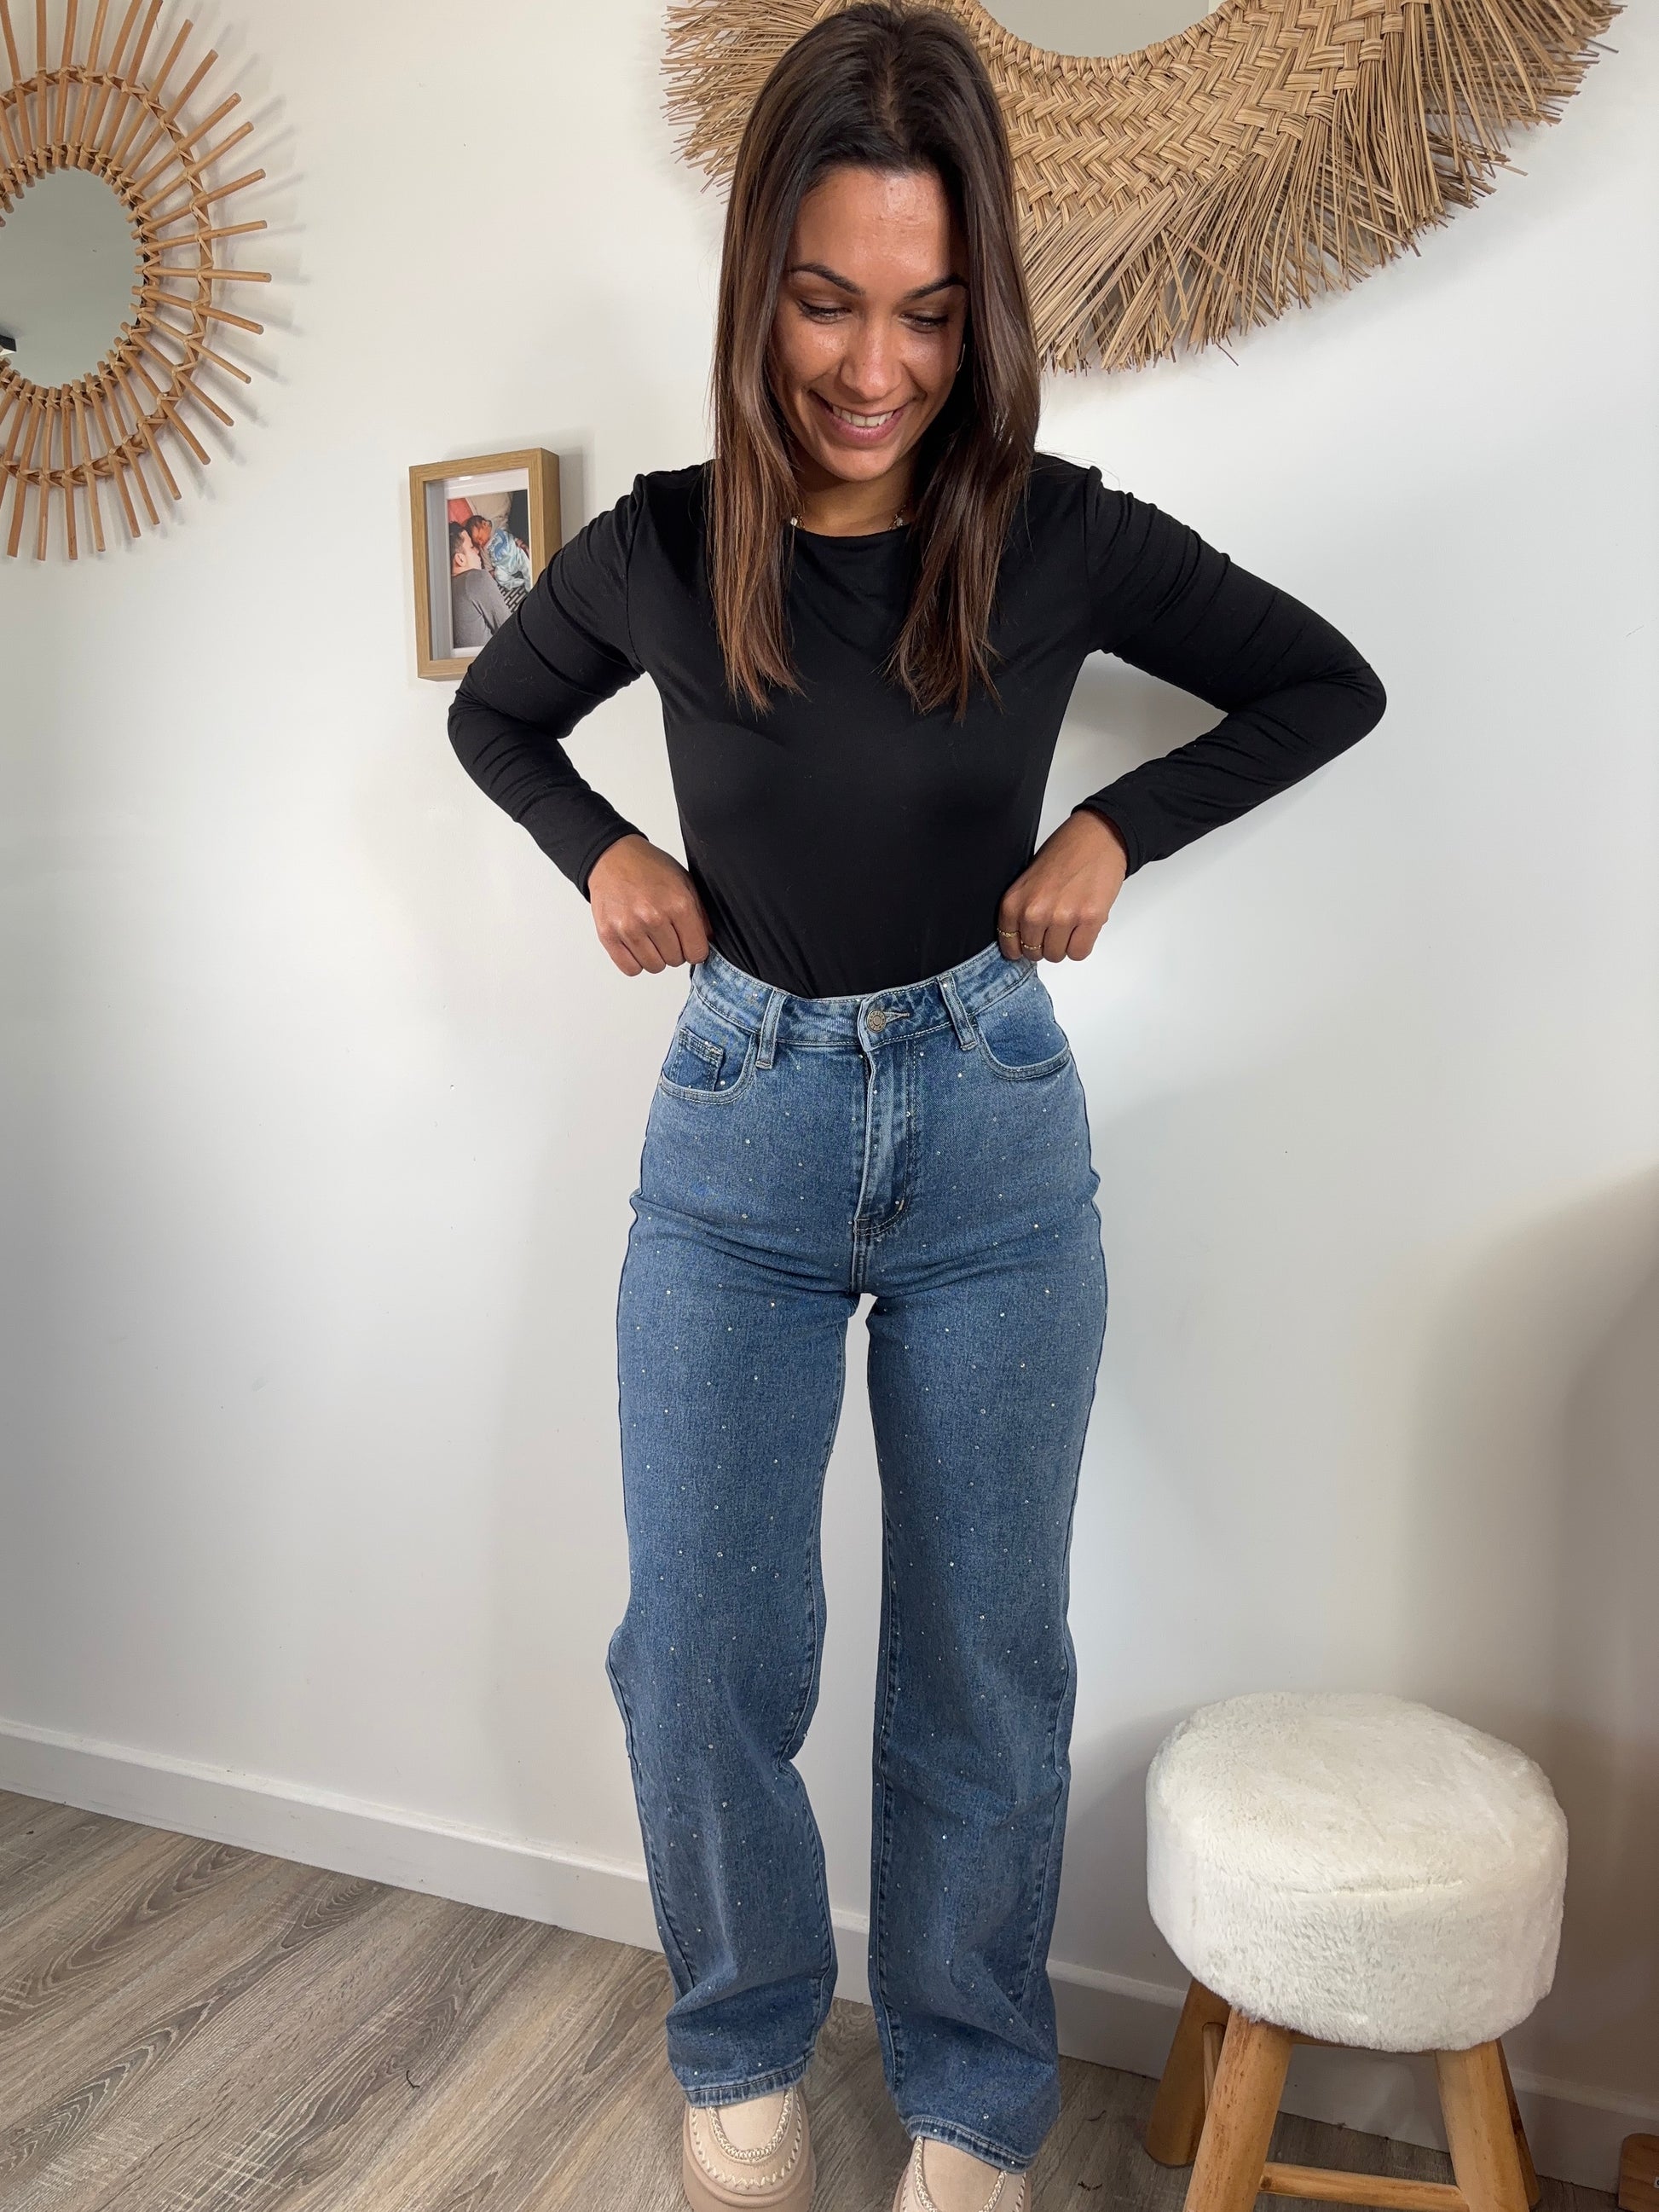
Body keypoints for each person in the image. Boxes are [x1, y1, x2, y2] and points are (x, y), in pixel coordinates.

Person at [446, 6, 1387, 2208]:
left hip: (989, 1139)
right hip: (736, 1135)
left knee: (983, 1659)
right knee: (702, 1649)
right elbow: (497, 718)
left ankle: (970, 2098)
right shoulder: (661, 550)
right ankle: (742, 2033)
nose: (877, 367)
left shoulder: (1059, 536)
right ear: (755, 288)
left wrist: (1118, 830)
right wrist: (603, 851)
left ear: (984, 317)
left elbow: (1321, 681)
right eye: (827, 302)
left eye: (931, 313)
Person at [448, 518, 512, 651]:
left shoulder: (447, 594)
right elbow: (511, 631)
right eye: (472, 547)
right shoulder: (476, 579)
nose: (478, 551)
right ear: (460, 559)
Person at [464, 507, 534, 609]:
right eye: (477, 542)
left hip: (515, 554)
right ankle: (517, 582)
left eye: (479, 538)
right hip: (503, 566)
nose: (480, 542)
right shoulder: (484, 548)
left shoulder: (497, 525)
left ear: (485, 524)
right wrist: (491, 572)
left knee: (526, 563)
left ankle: (530, 586)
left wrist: (520, 542)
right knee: (500, 576)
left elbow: (511, 533)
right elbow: (487, 563)